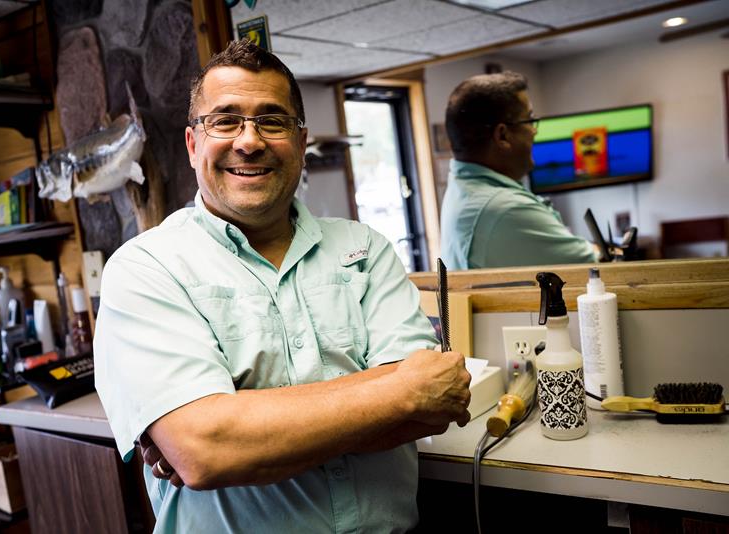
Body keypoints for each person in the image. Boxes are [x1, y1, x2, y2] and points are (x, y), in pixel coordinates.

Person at [94, 39, 472, 533]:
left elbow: (426, 413)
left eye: (271, 120)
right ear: (193, 145)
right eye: (225, 120)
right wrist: (401, 389)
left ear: (299, 141)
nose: (249, 141)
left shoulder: (364, 249)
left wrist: (241, 425)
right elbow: (205, 450)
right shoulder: (146, 268)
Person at [440, 71, 597, 269]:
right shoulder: (505, 209)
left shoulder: (461, 187)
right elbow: (594, 268)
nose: (534, 131)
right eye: (530, 120)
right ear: (503, 136)